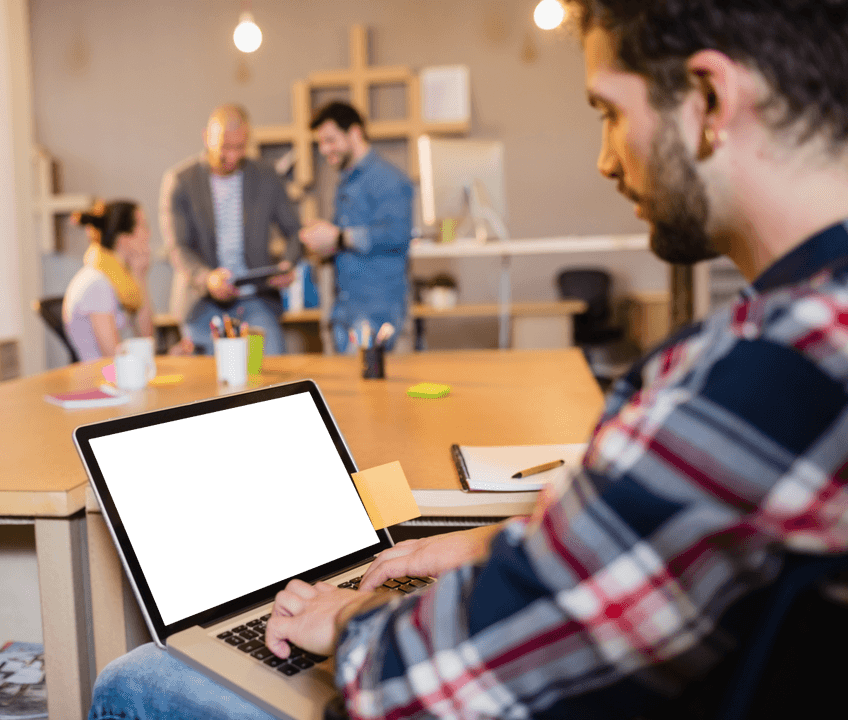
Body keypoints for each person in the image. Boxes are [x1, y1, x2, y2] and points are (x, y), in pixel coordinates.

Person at [89, 1, 848, 719]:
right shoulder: (810, 326)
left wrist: (351, 613)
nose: (606, 160)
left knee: (136, 678)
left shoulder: (767, 373)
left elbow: (426, 682)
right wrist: (500, 547)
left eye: (609, 112)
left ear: (710, 99)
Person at [161, 104, 302, 355]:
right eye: (225, 148)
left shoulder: (267, 176)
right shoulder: (181, 182)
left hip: (256, 300)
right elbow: (178, 247)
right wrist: (208, 278)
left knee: (270, 369)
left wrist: (288, 264)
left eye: (240, 148)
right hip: (202, 302)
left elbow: (295, 232)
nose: (233, 156)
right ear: (206, 137)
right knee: (208, 382)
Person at [299, 101, 413, 353]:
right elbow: (349, 240)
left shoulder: (388, 179)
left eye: (330, 140)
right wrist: (324, 243)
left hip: (377, 311)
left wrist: (338, 237)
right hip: (345, 311)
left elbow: (398, 234)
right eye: (321, 142)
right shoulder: (346, 181)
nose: (324, 149)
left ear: (355, 133)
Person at [62, 199, 154, 362]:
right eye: (143, 227)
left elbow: (146, 340)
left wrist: (140, 275)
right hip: (100, 381)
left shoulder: (121, 282)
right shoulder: (97, 284)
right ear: (124, 238)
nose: (149, 234)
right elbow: (113, 357)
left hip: (120, 376)